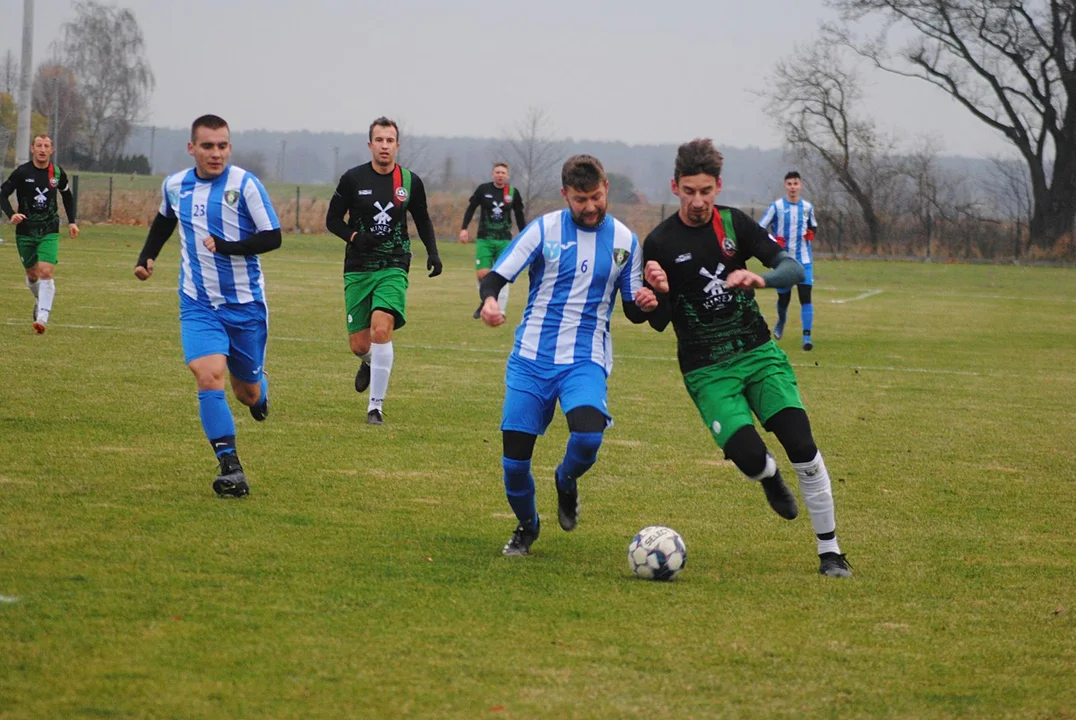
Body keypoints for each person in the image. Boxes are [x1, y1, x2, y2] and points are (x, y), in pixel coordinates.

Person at [640, 139, 851, 577]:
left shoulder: (735, 224)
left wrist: (763, 277)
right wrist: (654, 294)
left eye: (706, 191)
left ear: (718, 186)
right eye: (689, 191)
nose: (698, 201)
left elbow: (792, 267)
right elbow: (657, 320)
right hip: (707, 369)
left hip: (758, 355)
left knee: (803, 447)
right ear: (674, 187)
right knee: (750, 456)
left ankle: (830, 553)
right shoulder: (659, 242)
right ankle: (768, 477)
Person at [478, 154, 657, 556]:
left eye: (595, 196)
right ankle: (527, 526)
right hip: (530, 359)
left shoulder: (626, 242)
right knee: (514, 466)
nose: (590, 207)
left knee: (589, 435)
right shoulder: (543, 230)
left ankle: (566, 479)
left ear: (606, 187)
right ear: (565, 195)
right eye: (580, 199)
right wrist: (489, 301)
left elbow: (632, 308)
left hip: (584, 358)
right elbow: (495, 276)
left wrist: (647, 302)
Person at [133, 114, 282, 498]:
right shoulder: (175, 185)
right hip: (198, 302)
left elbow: (273, 237)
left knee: (245, 392)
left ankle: (260, 393)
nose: (216, 153)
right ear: (192, 148)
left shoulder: (245, 185)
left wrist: (228, 246)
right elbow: (164, 222)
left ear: (229, 147)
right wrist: (147, 257)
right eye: (208, 146)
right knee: (207, 373)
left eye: (222, 145)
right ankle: (231, 467)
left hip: (246, 305)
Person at [326, 117, 442, 426]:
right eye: (379, 140)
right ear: (370, 145)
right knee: (360, 346)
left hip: (393, 263)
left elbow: (423, 219)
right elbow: (332, 220)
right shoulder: (352, 179)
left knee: (381, 329)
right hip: (358, 267)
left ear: (397, 145)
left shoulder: (409, 181)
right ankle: (369, 363)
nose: (385, 146)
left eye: (390, 140)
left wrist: (433, 253)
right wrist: (354, 236)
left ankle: (374, 408)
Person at [0, 134, 79, 334]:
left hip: (49, 229)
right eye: (39, 145)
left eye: (46, 146)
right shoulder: (21, 172)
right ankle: (40, 298)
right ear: (32, 149)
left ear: (51, 150)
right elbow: (2, 194)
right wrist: (12, 214)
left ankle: (42, 317)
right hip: (25, 231)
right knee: (32, 275)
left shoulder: (57, 173)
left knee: (45, 271)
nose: (42, 149)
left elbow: (67, 196)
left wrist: (72, 222)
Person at [758, 170, 818, 350]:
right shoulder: (776, 206)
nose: (793, 187)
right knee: (784, 299)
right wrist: (774, 240)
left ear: (800, 186)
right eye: (789, 184)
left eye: (796, 184)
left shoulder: (807, 207)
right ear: (785, 186)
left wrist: (811, 233)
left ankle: (807, 338)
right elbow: (760, 229)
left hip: (804, 260)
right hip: (784, 261)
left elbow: (813, 226)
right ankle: (781, 320)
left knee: (805, 297)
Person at [458, 162, 526, 320]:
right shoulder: (483, 189)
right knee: (482, 274)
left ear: (507, 175)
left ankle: (500, 310)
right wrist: (464, 229)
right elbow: (471, 209)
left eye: (503, 172)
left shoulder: (513, 192)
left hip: (504, 240)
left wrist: (524, 234)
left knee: (502, 273)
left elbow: (519, 215)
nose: (500, 175)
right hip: (485, 238)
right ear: (492, 174)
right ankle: (486, 301)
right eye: (497, 172)